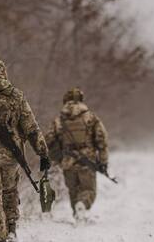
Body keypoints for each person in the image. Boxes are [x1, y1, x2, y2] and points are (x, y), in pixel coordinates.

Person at [0, 58, 50, 242]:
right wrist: (43, 152)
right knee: (10, 192)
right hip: (11, 153)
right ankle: (12, 231)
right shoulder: (15, 95)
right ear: (4, 73)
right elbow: (30, 127)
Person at [46, 87, 108, 222]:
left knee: (73, 190)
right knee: (89, 190)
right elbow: (102, 141)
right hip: (88, 160)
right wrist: (103, 161)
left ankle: (77, 212)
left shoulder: (59, 120)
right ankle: (82, 206)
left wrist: (56, 158)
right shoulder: (91, 117)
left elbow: (49, 140)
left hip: (67, 160)